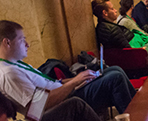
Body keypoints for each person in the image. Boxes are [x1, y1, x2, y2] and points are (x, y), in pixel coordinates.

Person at [0, 20, 136, 115]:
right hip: (63, 103)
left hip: (66, 92)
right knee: (115, 77)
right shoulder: (8, 72)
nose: (27, 44)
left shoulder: (16, 64)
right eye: (22, 39)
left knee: (114, 69)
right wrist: (74, 82)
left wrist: (78, 79)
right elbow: (38, 106)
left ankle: (145, 112)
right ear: (7, 42)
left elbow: (51, 84)